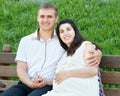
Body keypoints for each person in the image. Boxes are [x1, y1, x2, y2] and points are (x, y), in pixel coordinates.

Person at [0, 3, 102, 96]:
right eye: (42, 16)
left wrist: (98, 52)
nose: (45, 20)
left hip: (48, 85)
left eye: (49, 16)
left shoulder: (63, 39)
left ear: (56, 18)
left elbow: (80, 45)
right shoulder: (26, 41)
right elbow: (21, 68)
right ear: (37, 18)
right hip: (26, 84)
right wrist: (30, 83)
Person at [42, 19, 102, 96]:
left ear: (75, 31)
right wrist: (46, 81)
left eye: (68, 29)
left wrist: (69, 73)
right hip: (60, 93)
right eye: (62, 31)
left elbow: (93, 71)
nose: (65, 33)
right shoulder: (65, 55)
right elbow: (61, 77)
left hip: (81, 92)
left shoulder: (86, 46)